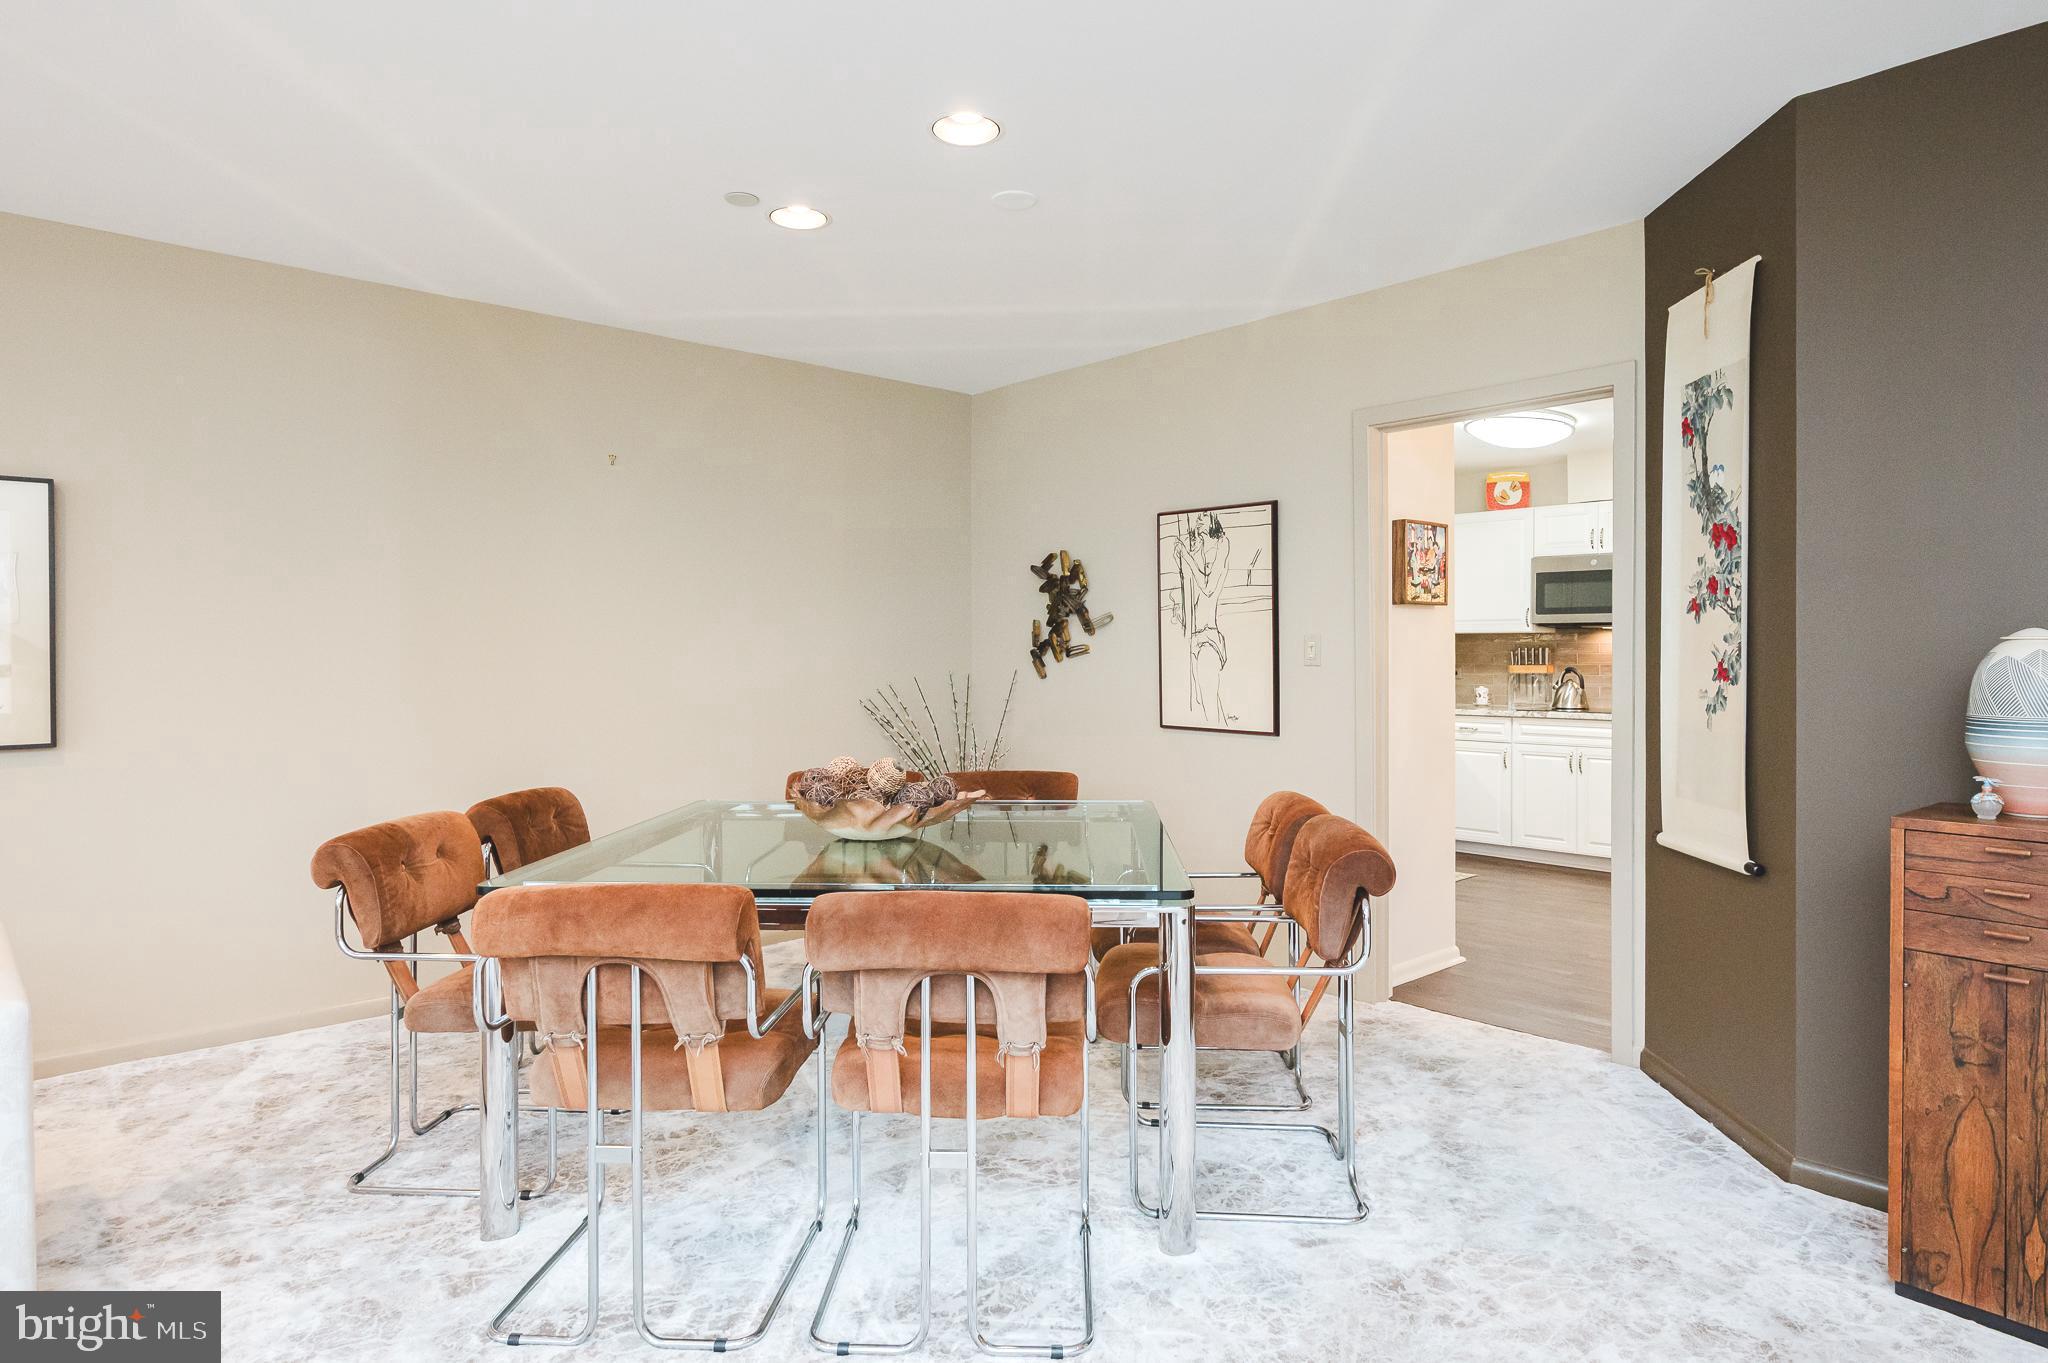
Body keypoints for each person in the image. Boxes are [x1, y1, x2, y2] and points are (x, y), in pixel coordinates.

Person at [1173, 512, 1231, 723]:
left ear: (1214, 519)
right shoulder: (1198, 548)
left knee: (1210, 710)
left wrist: (1185, 556)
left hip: (1208, 638)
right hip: (1193, 638)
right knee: (1206, 704)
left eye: (1204, 516)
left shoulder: (1221, 545)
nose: (1198, 518)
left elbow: (1207, 587)